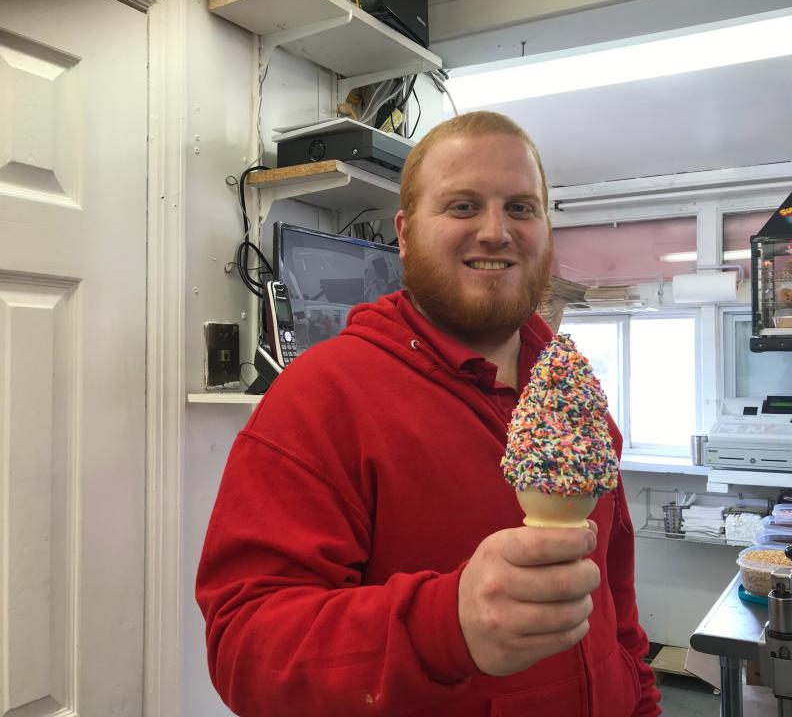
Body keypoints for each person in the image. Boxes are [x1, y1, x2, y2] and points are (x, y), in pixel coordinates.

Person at [196, 111, 662, 717]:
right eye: (463, 206)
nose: (496, 231)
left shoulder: (574, 402)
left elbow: (616, 611)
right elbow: (246, 649)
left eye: (521, 208)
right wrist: (445, 626)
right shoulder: (319, 397)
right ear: (406, 232)